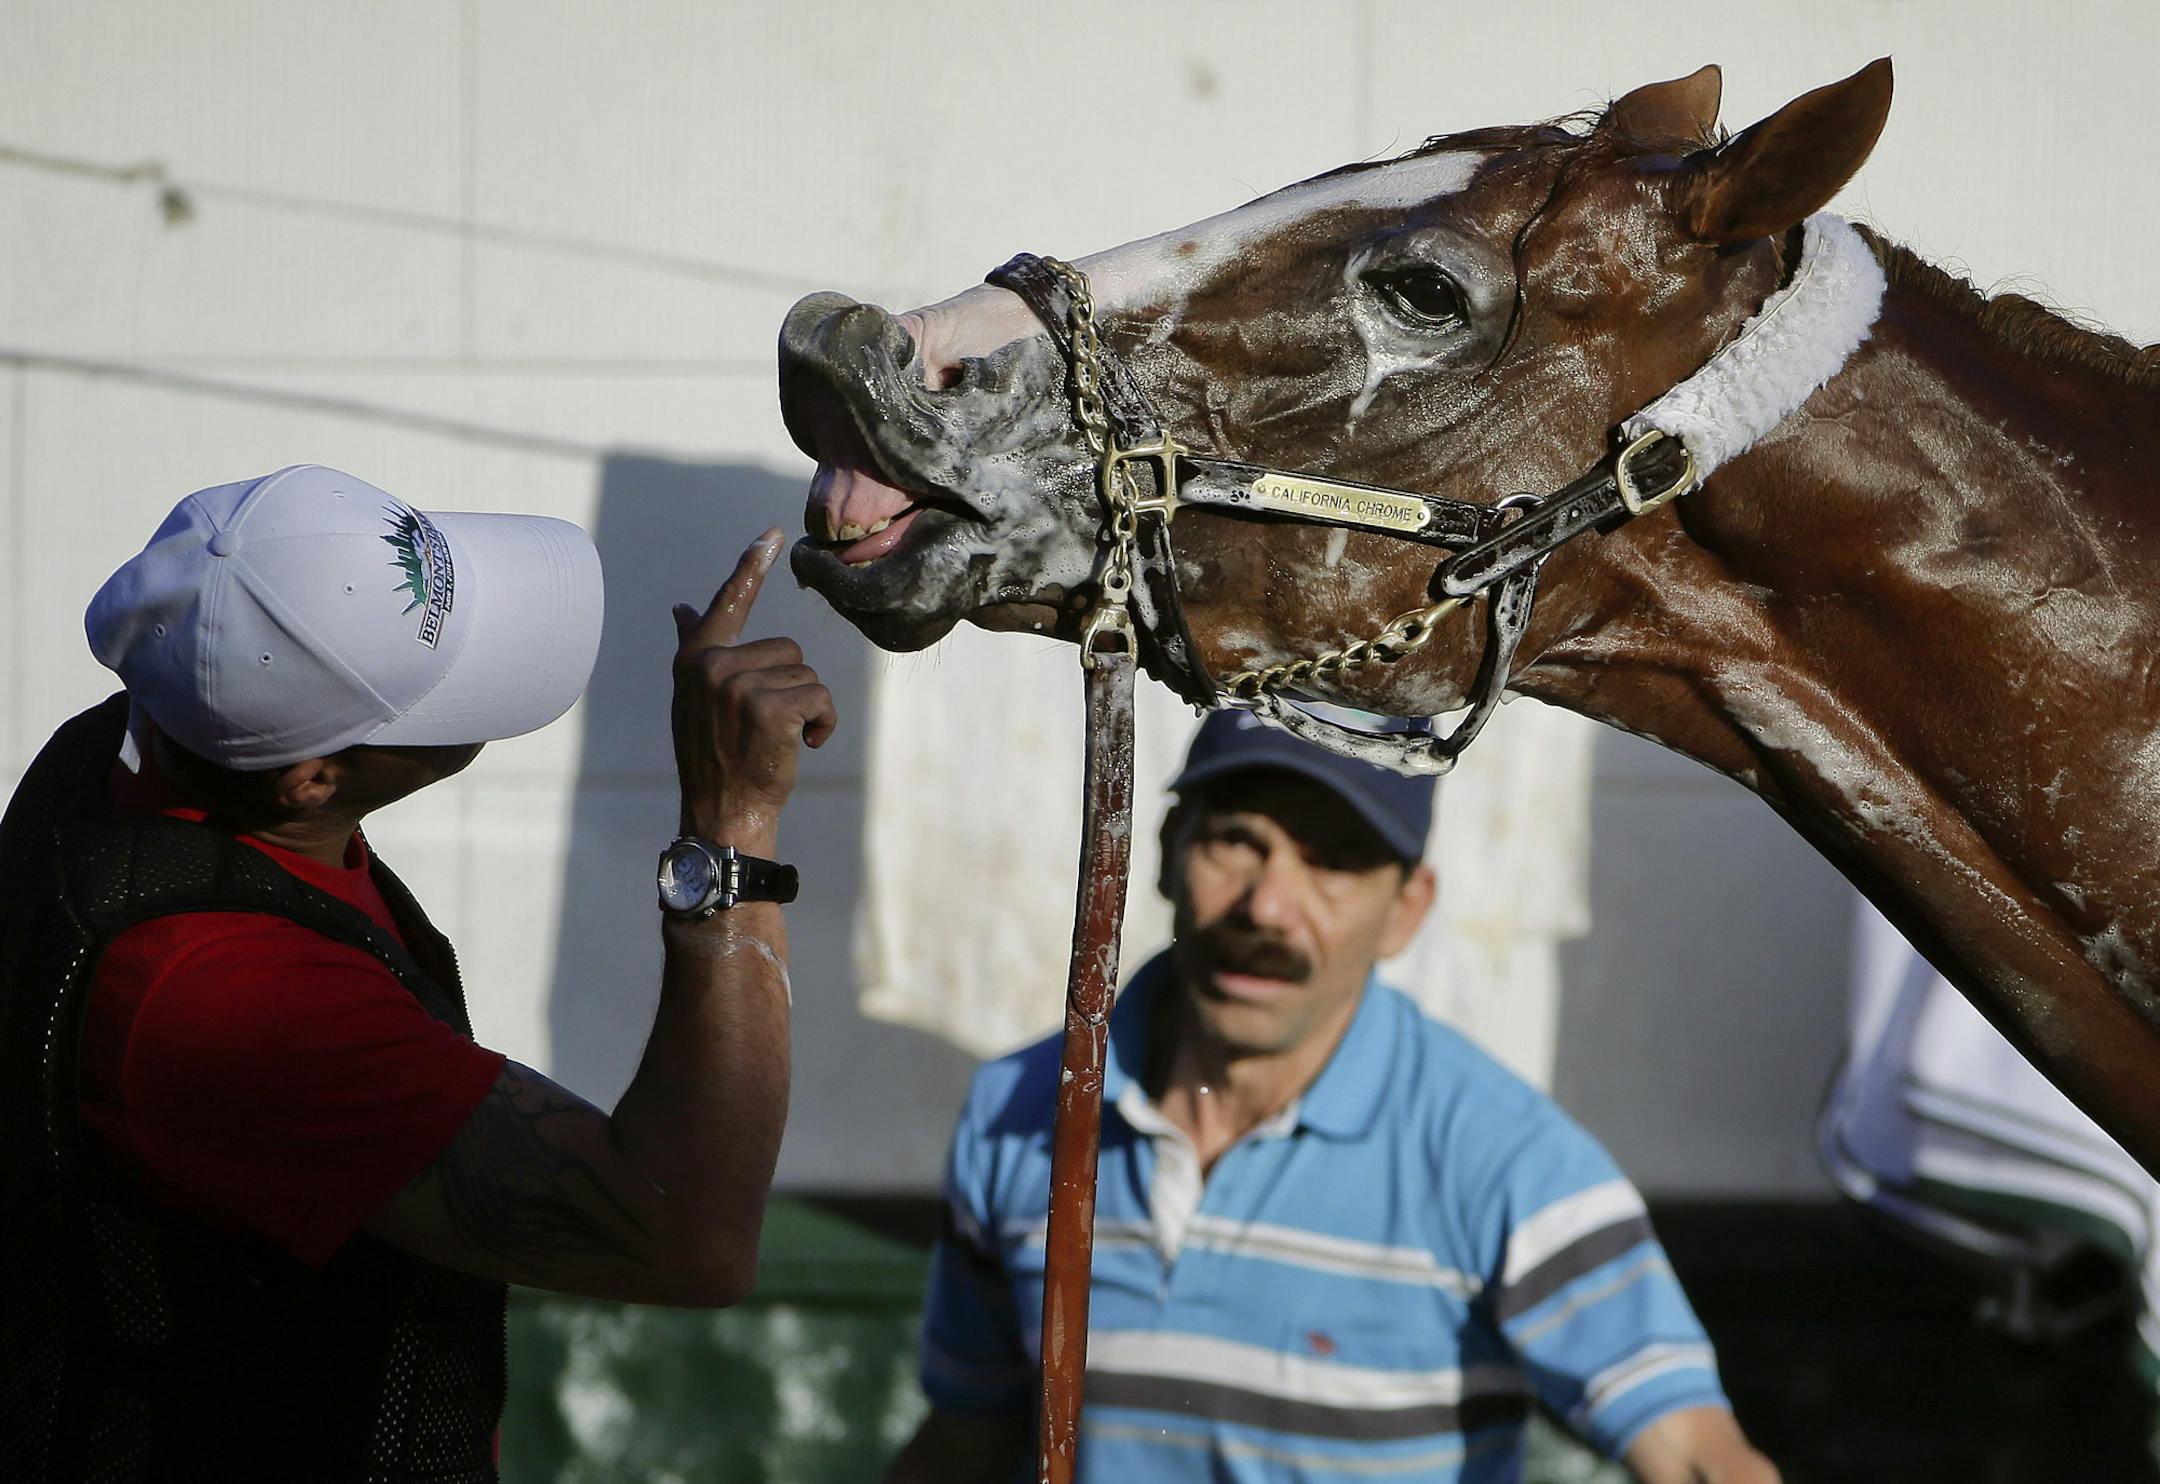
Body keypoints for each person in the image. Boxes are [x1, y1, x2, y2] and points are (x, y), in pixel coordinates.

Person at [0, 465, 832, 1481]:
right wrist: (731, 822)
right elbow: (688, 1231)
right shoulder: (226, 1002)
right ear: (313, 775)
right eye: (445, 680)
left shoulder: (127, 749)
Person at [886, 709, 1778, 1484]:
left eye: (1334, 862)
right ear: (1164, 854)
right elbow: (966, 1437)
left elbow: (1699, 1456)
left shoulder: (1503, 1157)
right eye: (1238, 840)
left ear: (1407, 911)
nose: (1269, 906)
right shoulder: (1021, 1113)